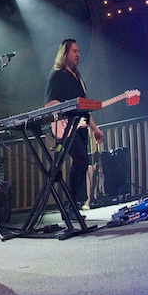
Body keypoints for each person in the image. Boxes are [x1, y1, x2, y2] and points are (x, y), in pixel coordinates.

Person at [45, 38, 104, 213]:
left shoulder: (78, 78)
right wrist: (66, 108)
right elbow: (49, 103)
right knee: (81, 159)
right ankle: (70, 204)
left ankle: (74, 204)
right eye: (74, 51)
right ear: (65, 53)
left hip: (81, 126)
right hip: (65, 125)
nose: (78, 54)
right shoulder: (57, 75)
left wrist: (95, 129)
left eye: (78, 51)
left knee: (82, 161)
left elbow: (85, 108)